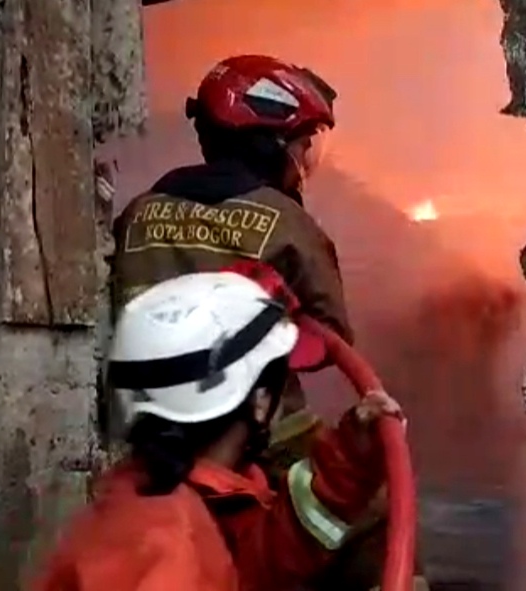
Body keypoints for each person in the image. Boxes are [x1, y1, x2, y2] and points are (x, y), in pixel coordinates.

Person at [109, 55, 427, 590]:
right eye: (303, 144)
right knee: (376, 527)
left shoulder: (139, 211)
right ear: (267, 141)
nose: (306, 159)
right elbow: (327, 340)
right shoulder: (284, 220)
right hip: (253, 422)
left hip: (147, 422)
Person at [34, 271, 402, 591]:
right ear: (260, 400)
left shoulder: (171, 498)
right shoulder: (158, 549)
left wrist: (349, 462)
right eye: (281, 382)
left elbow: (254, 561)